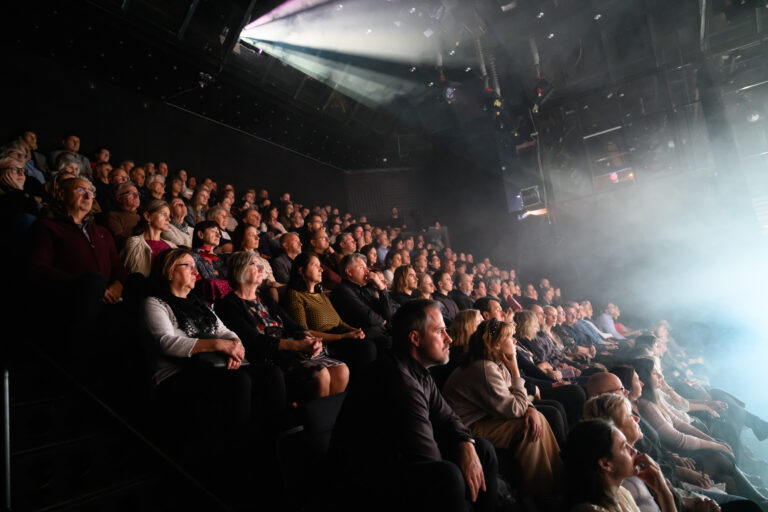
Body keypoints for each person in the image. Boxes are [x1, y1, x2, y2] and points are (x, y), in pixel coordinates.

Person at [330, 299, 498, 512]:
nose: (449, 338)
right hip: (364, 485)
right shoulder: (399, 381)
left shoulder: (419, 371)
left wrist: (465, 443)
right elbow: (427, 458)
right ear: (415, 339)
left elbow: (448, 418)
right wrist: (461, 461)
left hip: (397, 464)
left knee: (481, 449)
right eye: (440, 332)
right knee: (449, 476)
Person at [443, 318, 563, 494]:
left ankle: (558, 478)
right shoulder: (484, 368)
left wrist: (530, 408)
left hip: (486, 419)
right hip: (466, 430)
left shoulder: (493, 363)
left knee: (539, 418)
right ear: (496, 344)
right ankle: (542, 492)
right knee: (528, 427)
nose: (515, 341)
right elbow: (515, 409)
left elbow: (515, 399)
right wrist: (515, 370)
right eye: (510, 337)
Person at [214, 251, 348, 398]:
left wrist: (308, 338)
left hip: (293, 349)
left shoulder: (266, 299)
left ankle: (330, 420)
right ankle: (312, 418)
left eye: (261, 266)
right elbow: (254, 340)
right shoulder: (227, 304)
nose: (261, 269)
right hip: (271, 355)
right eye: (254, 265)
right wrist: (299, 345)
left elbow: (294, 325)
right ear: (239, 269)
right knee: (321, 375)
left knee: (342, 370)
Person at [282, 252, 376, 370]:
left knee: (369, 342)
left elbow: (339, 322)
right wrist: (343, 336)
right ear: (301, 271)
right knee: (367, 348)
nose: (321, 269)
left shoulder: (320, 295)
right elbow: (303, 331)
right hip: (326, 344)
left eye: (320, 265)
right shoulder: (295, 295)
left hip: (339, 336)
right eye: (315, 265)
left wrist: (354, 330)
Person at [562, 418, 675, 512]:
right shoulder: (590, 510)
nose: (634, 451)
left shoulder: (621, 493)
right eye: (624, 446)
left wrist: (661, 490)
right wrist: (664, 493)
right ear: (606, 464)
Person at [331, 253, 392, 343]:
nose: (367, 271)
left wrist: (381, 287)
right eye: (361, 268)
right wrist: (384, 321)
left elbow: (387, 313)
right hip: (357, 338)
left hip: (377, 333)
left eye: (366, 267)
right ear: (349, 272)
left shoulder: (365, 288)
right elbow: (368, 317)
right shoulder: (342, 289)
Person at [121, 199, 176, 277]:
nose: (168, 219)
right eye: (164, 214)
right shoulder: (134, 244)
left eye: (169, 216)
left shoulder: (172, 246)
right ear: (147, 216)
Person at [104, 182, 141, 250]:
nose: (136, 196)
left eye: (137, 193)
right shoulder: (113, 216)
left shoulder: (142, 215)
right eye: (130, 193)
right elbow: (120, 241)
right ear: (119, 198)